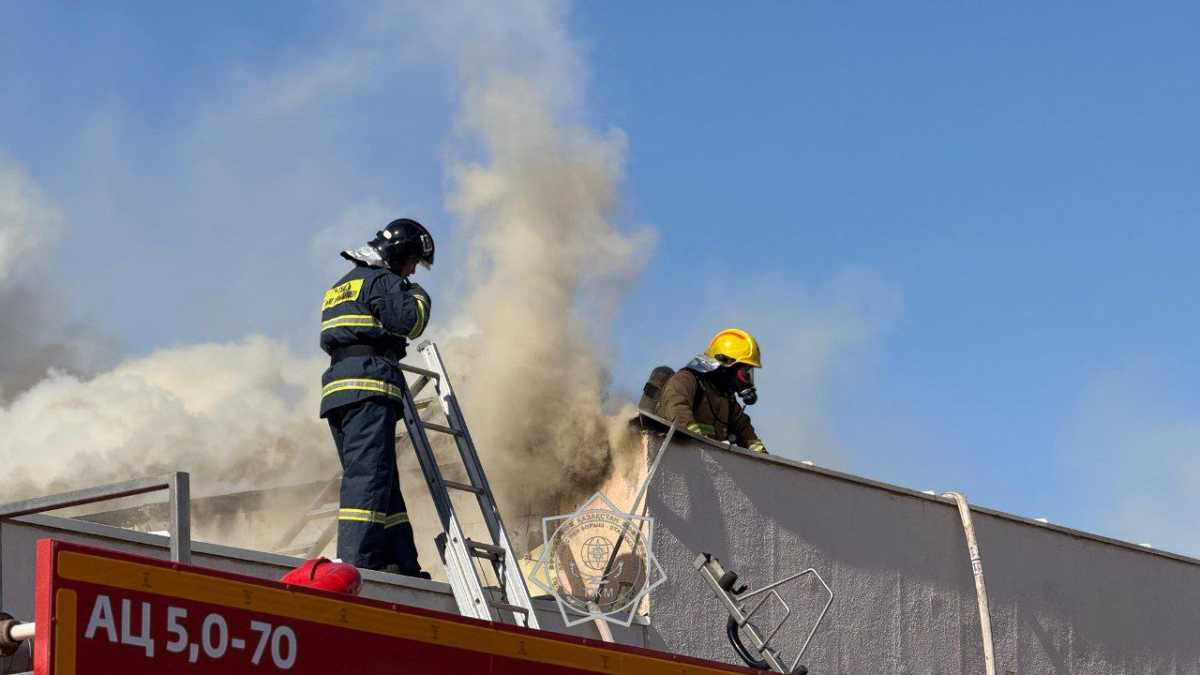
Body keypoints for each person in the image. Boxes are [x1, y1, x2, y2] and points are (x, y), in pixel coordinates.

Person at [319, 218, 434, 576]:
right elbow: (410, 322)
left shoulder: (342, 285)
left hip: (340, 392)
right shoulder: (381, 281)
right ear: (398, 253)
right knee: (368, 481)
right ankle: (358, 563)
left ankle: (400, 561)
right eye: (413, 261)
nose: (413, 269)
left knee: (380, 479)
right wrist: (417, 295)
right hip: (369, 387)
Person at [655, 328, 767, 453]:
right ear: (725, 363)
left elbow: (744, 430)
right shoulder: (686, 380)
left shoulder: (726, 397)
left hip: (707, 462)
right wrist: (697, 440)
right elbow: (677, 410)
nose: (746, 379)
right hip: (676, 453)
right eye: (744, 372)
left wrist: (764, 458)